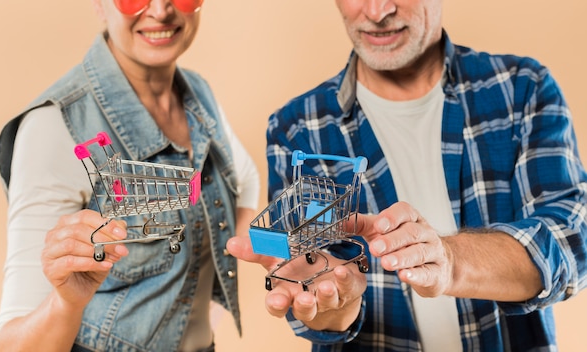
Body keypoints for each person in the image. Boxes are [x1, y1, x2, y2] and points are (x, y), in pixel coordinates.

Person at [227, 0, 587, 350]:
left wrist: (450, 261)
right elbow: (322, 307)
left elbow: (571, 237)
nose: (377, 11)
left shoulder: (521, 89)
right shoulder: (296, 128)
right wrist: (334, 303)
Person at [0, 0, 259, 351]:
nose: (161, 10)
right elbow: (13, 345)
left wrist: (273, 252)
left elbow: (245, 178)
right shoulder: (53, 128)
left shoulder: (198, 94)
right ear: (99, 5)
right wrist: (67, 302)